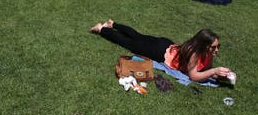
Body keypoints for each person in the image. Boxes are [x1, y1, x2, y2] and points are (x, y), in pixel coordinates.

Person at [90, 21, 234, 83]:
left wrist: (219, 75)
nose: (216, 50)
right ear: (204, 45)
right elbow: (194, 76)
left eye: (218, 46)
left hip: (167, 44)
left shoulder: (206, 52)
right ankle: (101, 28)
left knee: (138, 36)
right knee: (130, 42)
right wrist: (214, 71)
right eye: (214, 47)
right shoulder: (194, 53)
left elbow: (206, 70)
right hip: (158, 51)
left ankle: (112, 24)